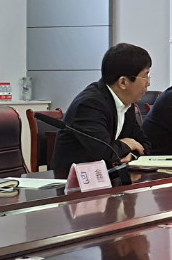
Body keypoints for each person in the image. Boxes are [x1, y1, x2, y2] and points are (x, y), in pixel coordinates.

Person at [52, 43, 151, 177]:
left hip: (108, 179)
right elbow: (103, 153)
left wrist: (132, 155)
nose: (148, 83)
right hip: (75, 182)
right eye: (145, 76)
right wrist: (127, 144)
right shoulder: (90, 104)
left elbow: (145, 144)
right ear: (123, 82)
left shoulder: (126, 103)